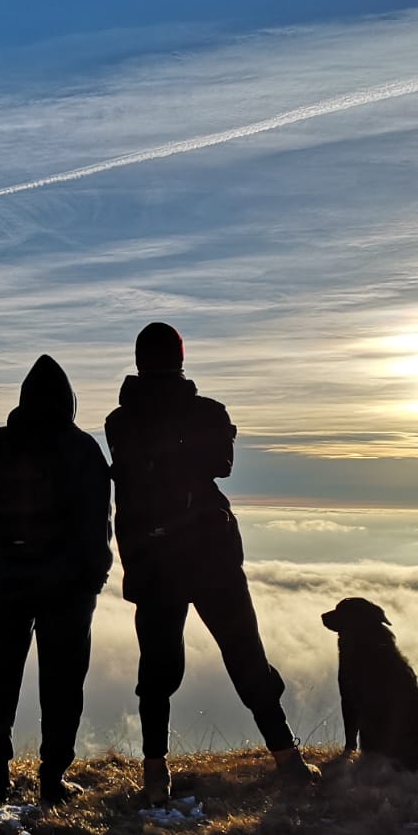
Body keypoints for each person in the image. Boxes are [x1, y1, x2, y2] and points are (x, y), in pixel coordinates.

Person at [105, 322, 320, 805]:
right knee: (244, 652)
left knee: (157, 666)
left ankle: (155, 772)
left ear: (140, 360)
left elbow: (141, 473)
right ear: (181, 359)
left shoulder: (119, 421)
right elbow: (220, 465)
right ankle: (287, 757)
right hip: (210, 553)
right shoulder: (208, 413)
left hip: (151, 555)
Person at [0, 355, 112, 804]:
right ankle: (52, 778)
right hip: (69, 588)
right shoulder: (82, 449)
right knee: (63, 684)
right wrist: (93, 578)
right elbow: (97, 522)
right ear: (69, 402)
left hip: (6, 582)